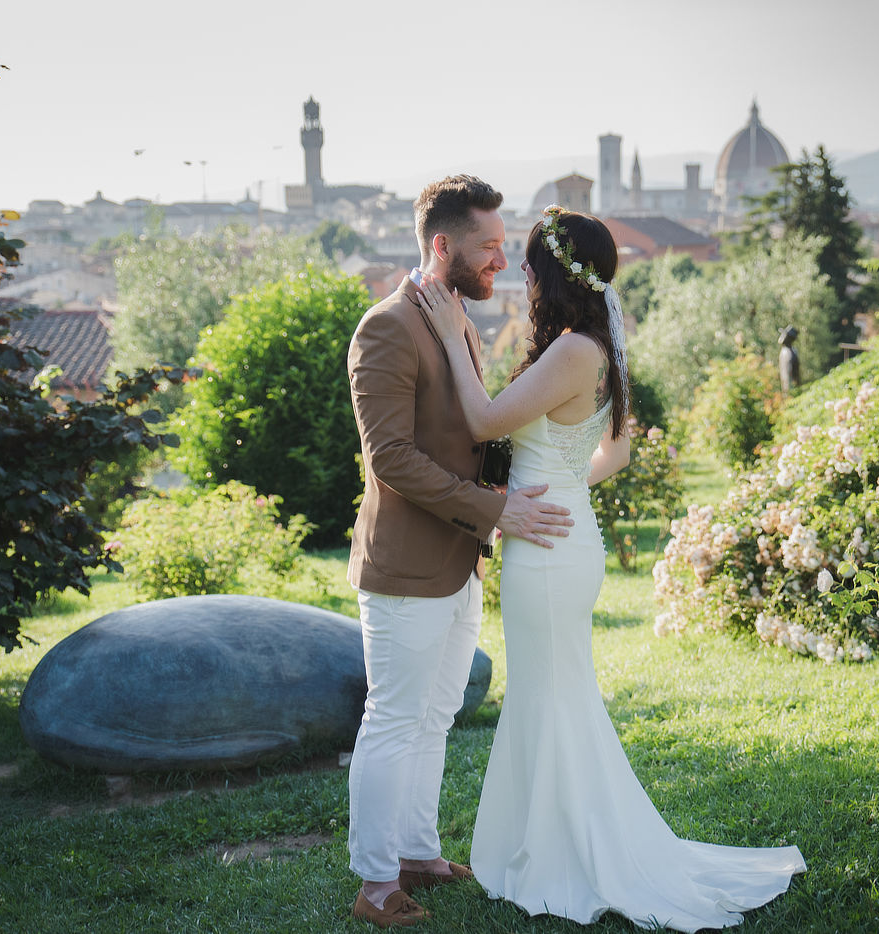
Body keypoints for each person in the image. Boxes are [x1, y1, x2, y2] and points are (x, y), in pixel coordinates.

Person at [419, 206, 806, 931]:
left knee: (550, 694)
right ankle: (551, 841)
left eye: (530, 263)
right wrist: (556, 486)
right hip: (563, 534)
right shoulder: (598, 344)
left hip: (550, 547)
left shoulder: (570, 352)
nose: (522, 274)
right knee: (554, 691)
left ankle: (569, 854)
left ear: (554, 273)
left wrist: (450, 335)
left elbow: (481, 421)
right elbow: (615, 454)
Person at [344, 175, 574, 928]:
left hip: (458, 559)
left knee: (436, 714)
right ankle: (377, 882)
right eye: (488, 249)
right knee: (394, 717)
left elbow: (468, 429)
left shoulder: (455, 321)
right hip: (408, 562)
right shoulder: (387, 327)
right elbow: (393, 460)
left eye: (504, 249)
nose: (499, 264)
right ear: (441, 245)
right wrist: (498, 509)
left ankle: (417, 852)